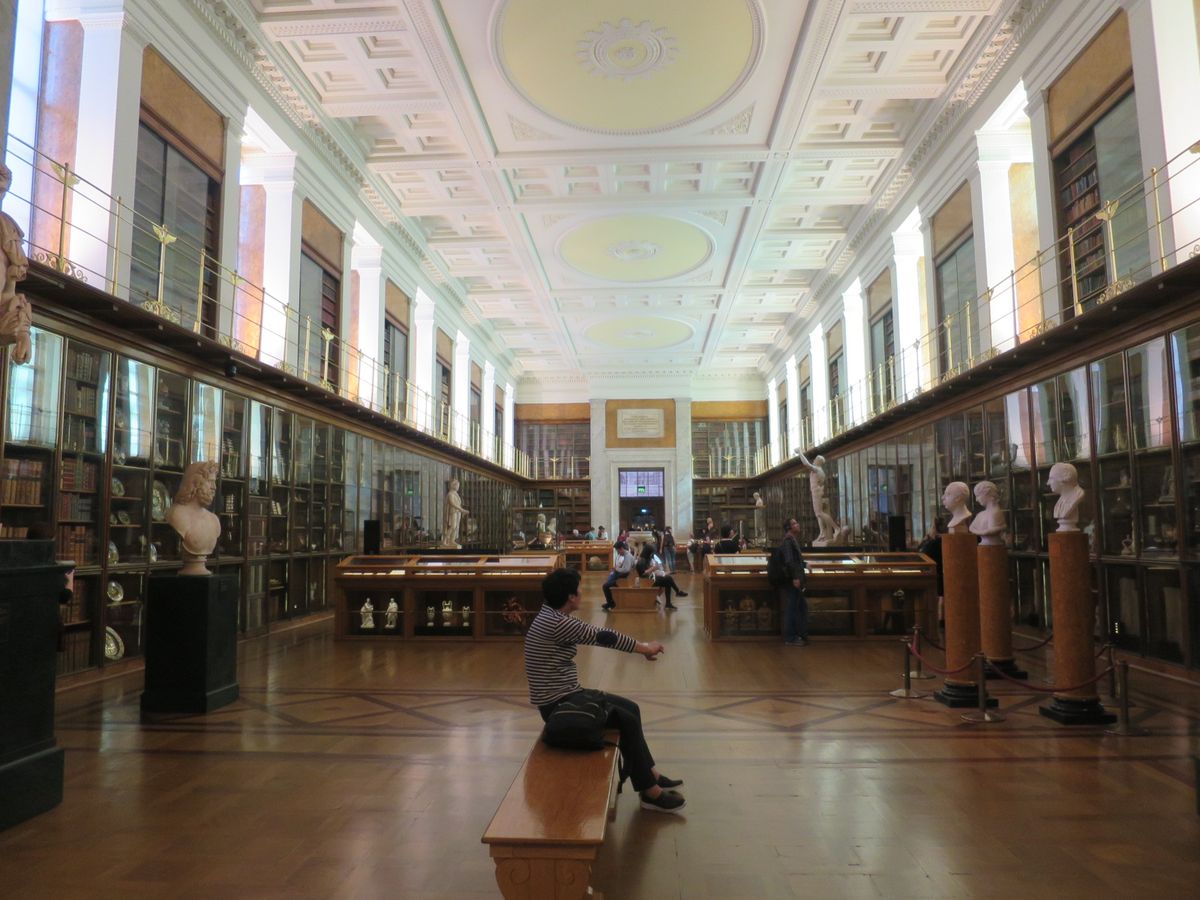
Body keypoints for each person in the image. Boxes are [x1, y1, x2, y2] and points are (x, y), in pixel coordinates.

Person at [525, 568, 685, 813]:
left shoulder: (550, 615)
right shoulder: (557, 623)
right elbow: (603, 636)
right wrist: (644, 648)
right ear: (570, 597)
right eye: (578, 589)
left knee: (631, 708)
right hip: (558, 705)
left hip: (565, 695)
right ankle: (649, 792)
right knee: (626, 719)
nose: (581, 592)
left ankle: (650, 772)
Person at [166, 460, 221, 575]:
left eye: (214, 482)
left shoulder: (214, 520)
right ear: (196, 483)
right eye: (210, 482)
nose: (214, 487)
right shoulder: (176, 514)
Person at [797, 451, 839, 545]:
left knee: (819, 513)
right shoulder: (819, 470)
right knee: (818, 514)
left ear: (819, 461)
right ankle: (822, 533)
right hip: (816, 492)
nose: (814, 460)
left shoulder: (817, 469)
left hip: (816, 492)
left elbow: (806, 464)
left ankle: (836, 528)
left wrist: (800, 452)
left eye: (816, 459)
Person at [777, 517, 808, 646]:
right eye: (794, 523)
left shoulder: (791, 539)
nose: (798, 524)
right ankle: (790, 637)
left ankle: (799, 634)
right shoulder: (788, 541)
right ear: (789, 528)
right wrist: (795, 577)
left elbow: (795, 560)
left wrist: (805, 564)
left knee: (798, 606)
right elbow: (789, 561)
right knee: (792, 608)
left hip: (795, 577)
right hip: (792, 579)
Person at [636, 542, 687, 609]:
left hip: (650, 578)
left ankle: (669, 603)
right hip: (646, 581)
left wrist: (655, 569)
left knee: (667, 582)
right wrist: (653, 568)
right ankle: (677, 592)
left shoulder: (646, 559)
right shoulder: (641, 561)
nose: (652, 554)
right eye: (651, 553)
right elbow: (643, 573)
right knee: (668, 578)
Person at [917, 519, 945, 626]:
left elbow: (922, 554)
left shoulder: (932, 543)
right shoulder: (943, 541)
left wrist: (925, 540)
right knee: (941, 595)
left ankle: (938, 618)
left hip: (933, 570)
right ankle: (941, 618)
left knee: (939, 594)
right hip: (941, 569)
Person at [1048, 462, 1085, 531]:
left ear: (1063, 478)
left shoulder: (1078, 494)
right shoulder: (1060, 500)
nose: (1048, 483)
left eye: (1051, 479)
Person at [601, 540, 635, 610]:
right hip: (624, 577)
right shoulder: (626, 555)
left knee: (605, 586)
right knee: (608, 582)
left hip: (625, 580)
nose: (618, 553)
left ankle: (611, 603)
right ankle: (611, 602)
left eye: (617, 551)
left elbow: (626, 570)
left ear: (621, 548)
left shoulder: (627, 556)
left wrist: (616, 569)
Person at [441, 479, 468, 548]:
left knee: (455, 527)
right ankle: (444, 541)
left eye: (458, 485)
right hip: (452, 512)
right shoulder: (450, 494)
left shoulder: (455, 494)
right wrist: (461, 510)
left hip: (457, 512)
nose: (458, 487)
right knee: (452, 526)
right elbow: (452, 503)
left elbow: (458, 504)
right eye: (457, 485)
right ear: (453, 485)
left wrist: (461, 511)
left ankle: (451, 540)